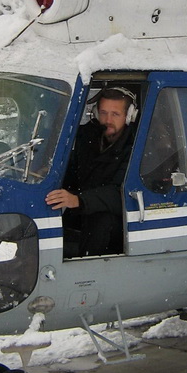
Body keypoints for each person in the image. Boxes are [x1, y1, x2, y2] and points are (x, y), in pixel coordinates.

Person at [45, 87, 137, 257]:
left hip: (115, 226)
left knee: (102, 220)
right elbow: (74, 170)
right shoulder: (86, 136)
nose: (108, 120)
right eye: (103, 113)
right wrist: (51, 173)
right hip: (83, 213)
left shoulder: (136, 147)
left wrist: (80, 200)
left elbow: (120, 193)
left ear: (129, 116)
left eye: (115, 114)